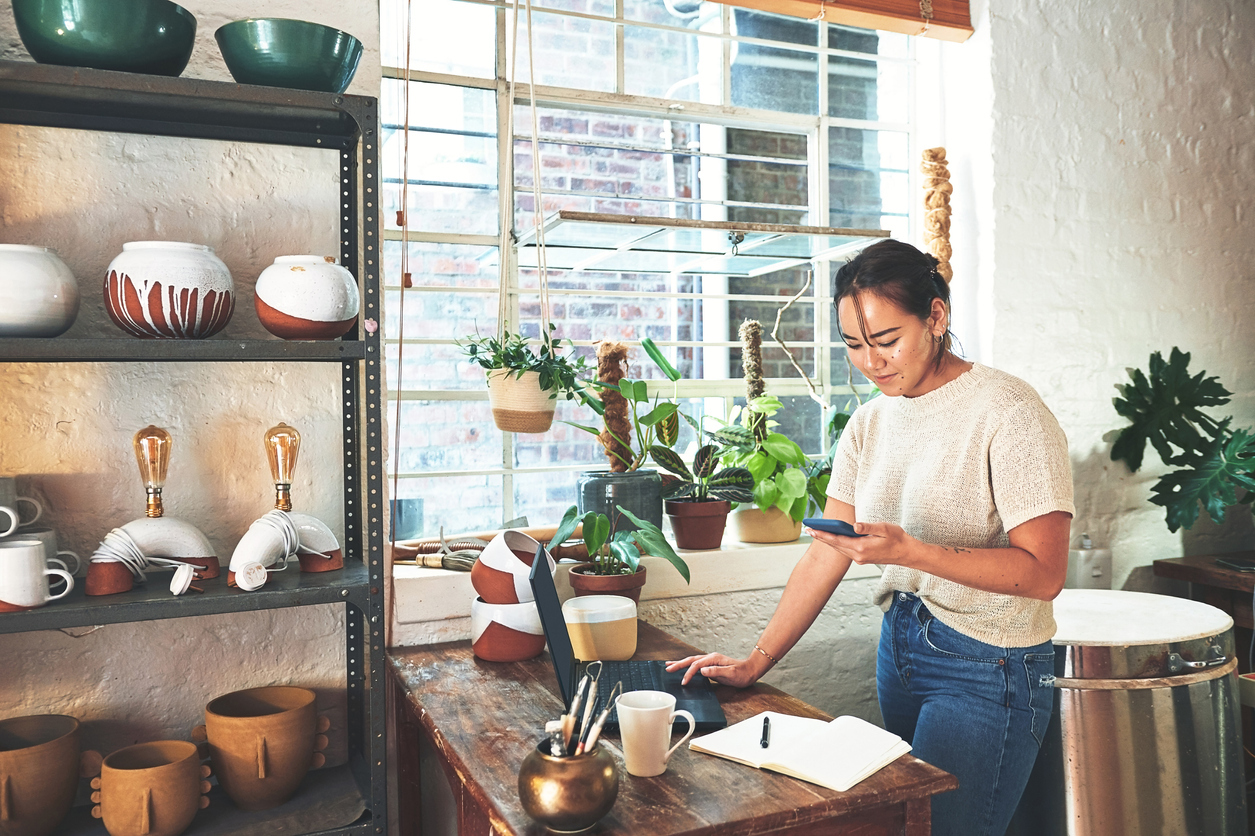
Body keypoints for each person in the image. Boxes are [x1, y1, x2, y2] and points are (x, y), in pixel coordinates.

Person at [667, 239, 1074, 836]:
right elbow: (826, 549)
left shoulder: (1009, 410)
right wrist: (756, 661)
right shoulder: (870, 421)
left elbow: (1044, 574)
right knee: (904, 822)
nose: (872, 361)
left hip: (991, 665)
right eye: (854, 345)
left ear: (936, 317)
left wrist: (910, 552)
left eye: (887, 341)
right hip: (901, 648)